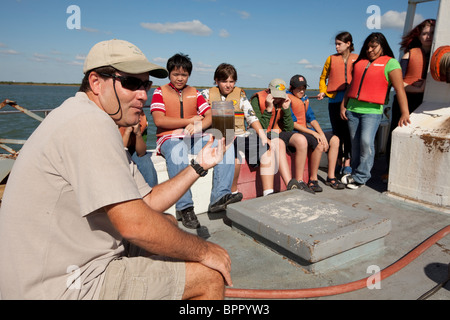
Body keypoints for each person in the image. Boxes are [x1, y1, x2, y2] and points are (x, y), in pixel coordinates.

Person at [0, 39, 232, 300]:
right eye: (131, 83)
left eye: (145, 85)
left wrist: (198, 165)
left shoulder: (86, 117)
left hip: (69, 264)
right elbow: (134, 225)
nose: (143, 94)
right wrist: (205, 251)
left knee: (166, 221)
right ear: (96, 82)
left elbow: (148, 201)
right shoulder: (89, 123)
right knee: (209, 277)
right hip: (61, 286)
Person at [150, 53, 238, 229]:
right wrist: (191, 121)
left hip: (192, 136)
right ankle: (185, 207)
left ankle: (220, 197)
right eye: (176, 74)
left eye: (184, 75)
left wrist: (200, 126)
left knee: (223, 140)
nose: (180, 78)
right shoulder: (160, 92)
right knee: (176, 150)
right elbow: (159, 120)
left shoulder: (195, 92)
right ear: (169, 74)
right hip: (169, 137)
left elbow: (210, 115)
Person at [340, 33, 411, 189]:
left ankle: (361, 177)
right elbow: (352, 86)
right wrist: (343, 105)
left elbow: (399, 90)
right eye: (368, 47)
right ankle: (355, 173)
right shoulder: (360, 63)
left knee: (366, 142)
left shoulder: (391, 64)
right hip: (352, 109)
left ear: (382, 46)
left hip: (372, 111)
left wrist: (405, 113)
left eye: (374, 47)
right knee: (355, 144)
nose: (370, 50)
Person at [202, 63, 277, 196]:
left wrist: (263, 136)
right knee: (235, 157)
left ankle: (268, 192)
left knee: (266, 149)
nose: (228, 85)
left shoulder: (240, 95)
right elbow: (198, 116)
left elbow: (251, 117)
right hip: (220, 137)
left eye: (231, 81)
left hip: (241, 135)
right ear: (217, 81)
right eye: (224, 81)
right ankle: (233, 191)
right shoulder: (205, 95)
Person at [384, 19, 435, 181]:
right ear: (418, 36)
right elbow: (398, 83)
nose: (428, 36)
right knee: (396, 133)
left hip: (430, 105)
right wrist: (419, 88)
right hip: (406, 101)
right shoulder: (409, 54)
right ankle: (390, 169)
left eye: (432, 33)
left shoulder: (440, 56)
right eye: (425, 33)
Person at [251, 78, 315, 194]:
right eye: (275, 96)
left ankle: (299, 181)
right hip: (261, 133)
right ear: (269, 91)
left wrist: (286, 110)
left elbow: (289, 128)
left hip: (277, 132)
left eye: (280, 96)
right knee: (278, 142)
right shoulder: (257, 100)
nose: (277, 99)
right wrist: (269, 108)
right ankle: (290, 184)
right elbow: (260, 127)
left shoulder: (283, 101)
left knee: (301, 140)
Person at [288, 75, 344, 192]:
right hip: (296, 132)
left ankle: (331, 177)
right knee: (318, 143)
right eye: (299, 88)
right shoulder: (288, 100)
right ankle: (313, 179)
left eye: (303, 88)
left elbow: (312, 119)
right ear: (291, 88)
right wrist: (315, 135)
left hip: (307, 130)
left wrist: (321, 133)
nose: (302, 91)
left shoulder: (304, 99)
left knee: (335, 140)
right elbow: (293, 124)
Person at [318, 32, 358, 176]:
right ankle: (339, 162)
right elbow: (323, 77)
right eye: (335, 43)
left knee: (349, 132)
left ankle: (347, 161)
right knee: (337, 133)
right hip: (334, 99)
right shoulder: (330, 59)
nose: (336, 47)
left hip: (351, 101)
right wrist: (323, 91)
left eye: (339, 44)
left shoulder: (358, 59)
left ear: (348, 44)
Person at [119, 110, 158, 187]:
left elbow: (141, 153)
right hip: (118, 148)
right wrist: (127, 131)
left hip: (133, 149)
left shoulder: (142, 119)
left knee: (145, 161)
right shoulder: (115, 118)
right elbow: (120, 152)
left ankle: (152, 192)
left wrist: (138, 133)